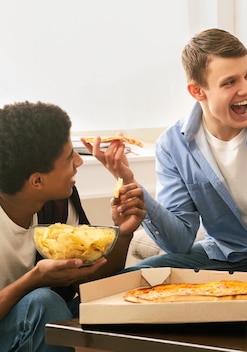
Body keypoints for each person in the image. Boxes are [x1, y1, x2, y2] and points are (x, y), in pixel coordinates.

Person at [83, 28, 247, 274]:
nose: (246, 89)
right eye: (229, 82)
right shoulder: (173, 146)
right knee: (139, 277)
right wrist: (135, 190)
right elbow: (179, 241)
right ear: (197, 91)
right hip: (233, 254)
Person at [0, 101, 146, 351]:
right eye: (70, 157)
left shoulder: (59, 199)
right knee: (43, 302)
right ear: (37, 180)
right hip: (19, 323)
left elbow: (89, 284)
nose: (79, 161)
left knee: (128, 286)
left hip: (44, 320)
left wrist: (121, 234)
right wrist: (34, 279)